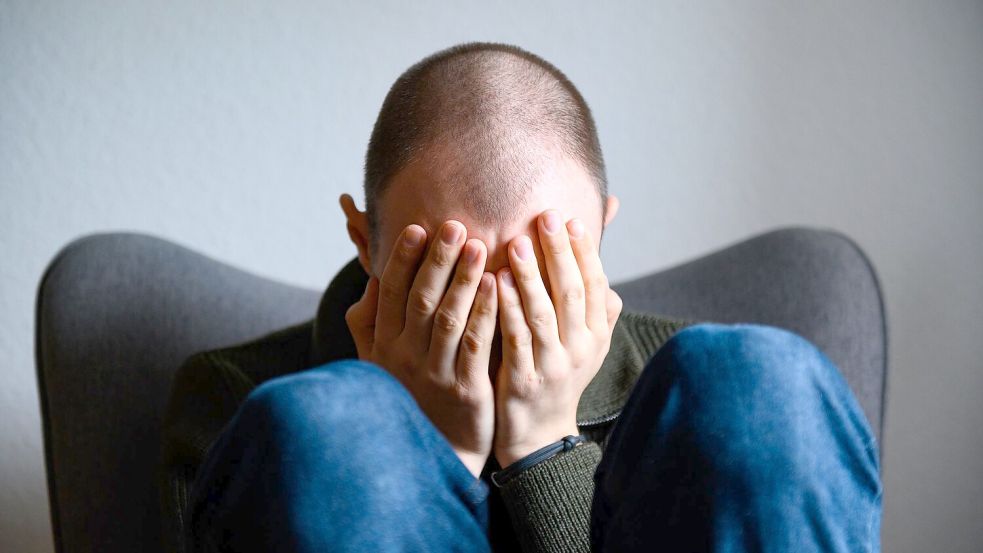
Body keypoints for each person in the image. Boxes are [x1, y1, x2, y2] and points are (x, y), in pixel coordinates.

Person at [159, 42, 881, 553]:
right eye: (447, 275)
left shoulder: (700, 413)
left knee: (757, 384)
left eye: (541, 270)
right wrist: (430, 452)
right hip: (313, 429)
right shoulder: (235, 396)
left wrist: (544, 448)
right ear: (365, 242)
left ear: (599, 233)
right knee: (323, 428)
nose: (497, 321)